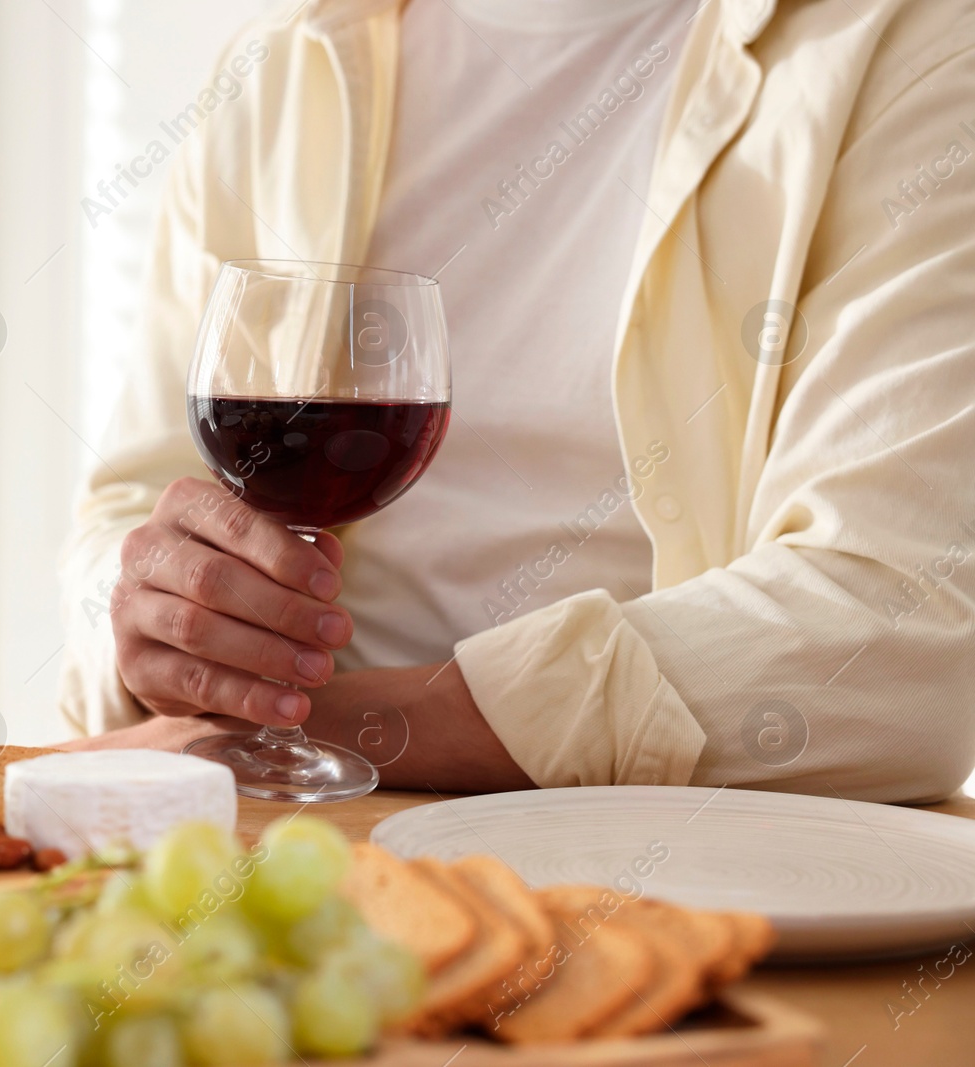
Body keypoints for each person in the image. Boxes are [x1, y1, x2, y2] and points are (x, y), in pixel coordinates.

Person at [56, 0, 975, 803]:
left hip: (649, 862)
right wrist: (161, 629)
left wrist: (333, 727)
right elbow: (132, 513)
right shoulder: (284, 66)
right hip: (262, 827)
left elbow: (906, 625)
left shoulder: (906, 42)